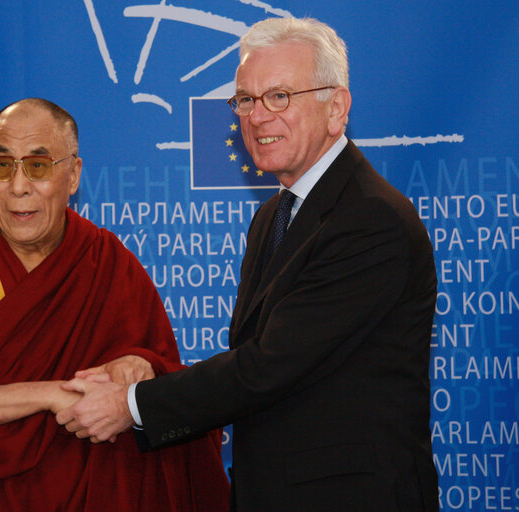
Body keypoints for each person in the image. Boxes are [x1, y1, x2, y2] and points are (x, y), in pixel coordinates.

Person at [57, 17, 439, 512]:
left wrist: (129, 406)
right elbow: (259, 356)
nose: (257, 117)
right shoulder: (272, 216)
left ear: (336, 109)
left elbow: (269, 367)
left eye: (279, 96)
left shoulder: (370, 217)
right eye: (245, 100)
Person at [0, 98, 229, 511]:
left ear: (74, 174)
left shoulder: (104, 260)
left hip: (90, 491)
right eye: (2, 166)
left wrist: (138, 366)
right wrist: (49, 395)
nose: (18, 186)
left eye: (39, 166)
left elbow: (158, 371)